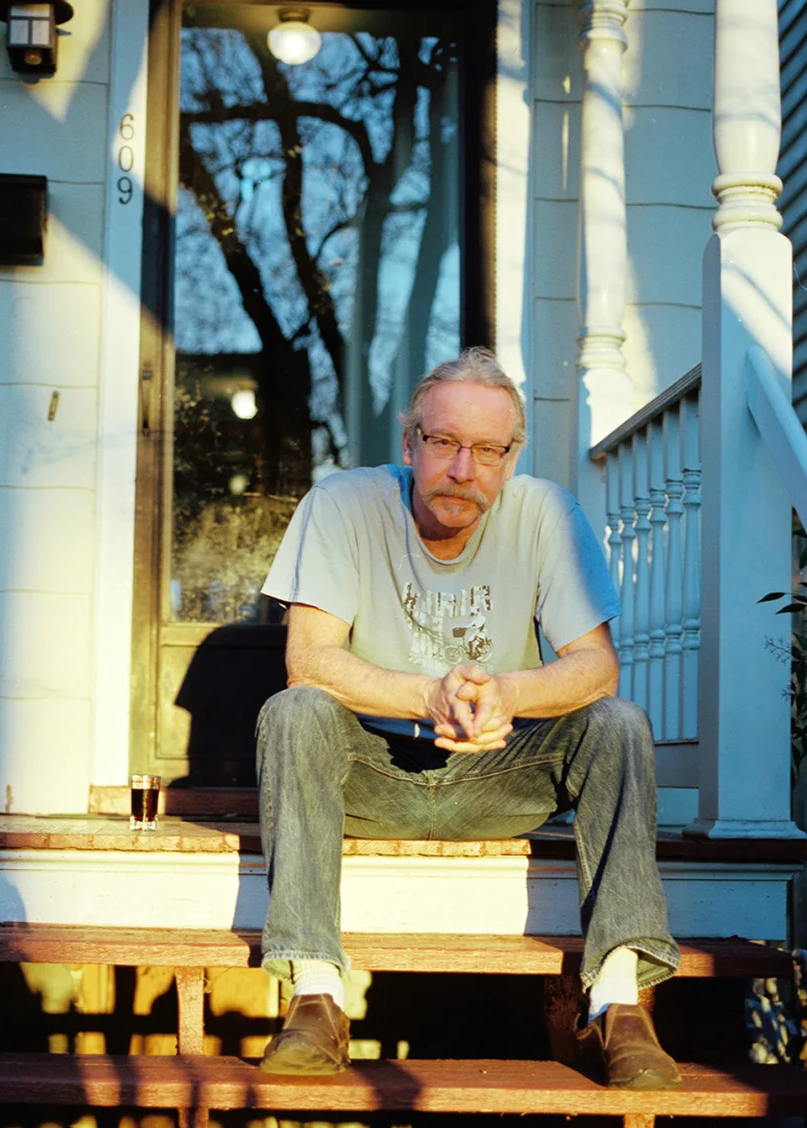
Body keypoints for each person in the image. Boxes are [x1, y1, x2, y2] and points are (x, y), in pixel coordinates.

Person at [253, 347, 683, 1089]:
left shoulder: (546, 513)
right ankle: (316, 997)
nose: (463, 469)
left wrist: (507, 694)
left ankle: (618, 1003)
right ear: (409, 443)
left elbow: (595, 665)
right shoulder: (343, 504)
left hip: (497, 772)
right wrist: (428, 695)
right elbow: (309, 659)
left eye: (487, 450)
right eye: (446, 443)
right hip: (372, 773)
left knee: (616, 722)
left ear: (511, 458)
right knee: (293, 712)